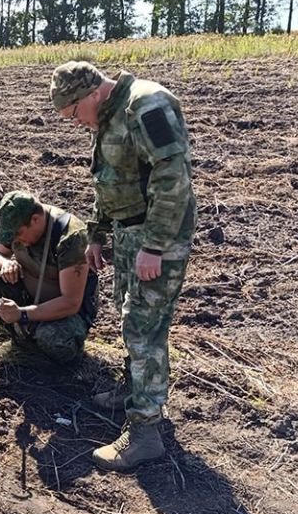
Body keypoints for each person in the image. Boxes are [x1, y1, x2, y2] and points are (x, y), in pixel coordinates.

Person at [50, 61, 197, 472]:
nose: (76, 123)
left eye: (74, 113)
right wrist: (97, 235)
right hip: (129, 234)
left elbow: (173, 177)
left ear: (92, 93)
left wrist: (155, 245)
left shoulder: (146, 104)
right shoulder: (109, 114)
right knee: (128, 316)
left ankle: (146, 431)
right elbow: (110, 177)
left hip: (157, 238)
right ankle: (136, 389)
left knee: (144, 325)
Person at [0, 190, 97, 367]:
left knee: (56, 340)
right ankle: (18, 338)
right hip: (30, 299)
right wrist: (4, 264)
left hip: (65, 312)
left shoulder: (71, 238)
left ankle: (50, 357)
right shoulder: (15, 223)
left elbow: (71, 302)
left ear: (35, 220)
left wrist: (22, 314)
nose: (15, 241)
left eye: (18, 235)